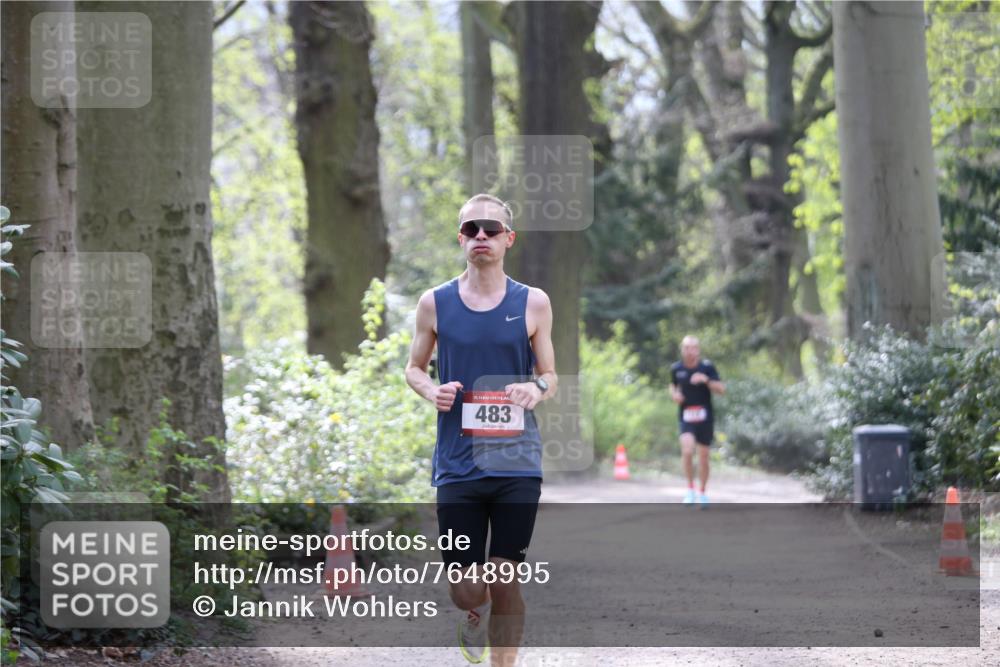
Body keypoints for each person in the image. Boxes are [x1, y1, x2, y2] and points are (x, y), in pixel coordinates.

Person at [405, 193, 557, 665]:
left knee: (505, 574)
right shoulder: (434, 303)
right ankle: (473, 613)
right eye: (472, 229)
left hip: (517, 461)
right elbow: (413, 368)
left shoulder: (533, 302)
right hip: (457, 464)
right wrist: (430, 391)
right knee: (468, 589)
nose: (481, 236)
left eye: (491, 229)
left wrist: (536, 387)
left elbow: (550, 374)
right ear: (461, 238)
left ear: (508, 238)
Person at [669, 335, 725, 508]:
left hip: (705, 418)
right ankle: (690, 490)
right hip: (686, 417)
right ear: (682, 349)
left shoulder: (707, 367)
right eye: (686, 348)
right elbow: (673, 385)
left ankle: (702, 492)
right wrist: (674, 395)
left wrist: (706, 380)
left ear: (698, 350)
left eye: (693, 347)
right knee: (687, 450)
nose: (690, 351)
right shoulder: (676, 368)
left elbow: (722, 389)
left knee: (703, 457)